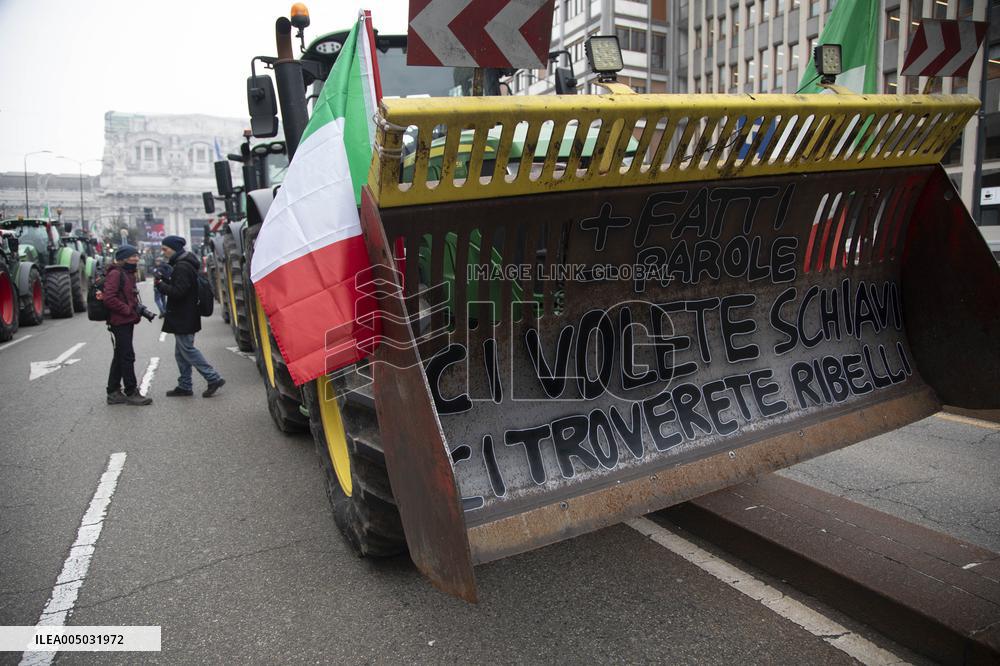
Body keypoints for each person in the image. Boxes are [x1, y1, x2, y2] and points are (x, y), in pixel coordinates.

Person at [157, 235, 225, 398]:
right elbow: (183, 287)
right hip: (185, 315)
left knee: (187, 349)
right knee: (180, 353)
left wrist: (161, 285)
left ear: (173, 249)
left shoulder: (182, 267)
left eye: (165, 249)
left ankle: (213, 377)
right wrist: (167, 281)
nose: (163, 252)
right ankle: (185, 385)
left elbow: (179, 292)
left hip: (184, 316)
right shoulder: (185, 265)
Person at [102, 245, 153, 406]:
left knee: (120, 356)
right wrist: (126, 310)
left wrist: (135, 310)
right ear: (123, 258)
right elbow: (108, 298)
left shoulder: (127, 273)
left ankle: (113, 391)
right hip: (120, 321)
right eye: (133, 256)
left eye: (137, 255)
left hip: (126, 320)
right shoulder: (116, 274)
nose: (136, 258)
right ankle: (131, 392)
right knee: (127, 356)